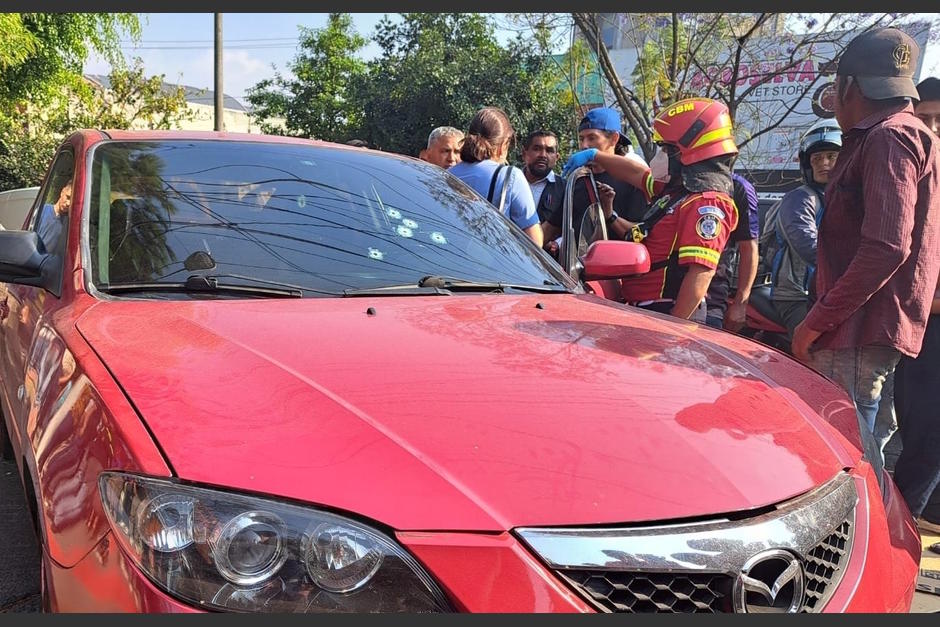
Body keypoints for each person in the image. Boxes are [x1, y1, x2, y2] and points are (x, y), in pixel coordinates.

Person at [790, 28, 940, 495]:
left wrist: (815, 322)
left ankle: (869, 549)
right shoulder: (912, 135)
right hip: (873, 324)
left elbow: (886, 248)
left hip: (857, 326)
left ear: (848, 88)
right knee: (860, 440)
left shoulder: (887, 139)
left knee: (846, 451)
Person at [561, 98, 739, 322]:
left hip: (668, 313)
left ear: (684, 154)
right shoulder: (677, 192)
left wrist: (674, 328)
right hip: (647, 309)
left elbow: (700, 274)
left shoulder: (706, 203)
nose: (660, 155)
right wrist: (596, 156)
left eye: (666, 149)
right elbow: (636, 174)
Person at [893, 76, 940, 534]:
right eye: (923, 119)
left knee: (928, 432)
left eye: (939, 121)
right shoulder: (903, 176)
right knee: (915, 425)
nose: (932, 129)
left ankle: (900, 524)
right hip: (915, 322)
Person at [767, 119, 842, 339]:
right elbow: (808, 245)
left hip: (829, 293)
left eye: (831, 156)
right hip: (797, 295)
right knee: (817, 353)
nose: (823, 163)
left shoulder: (844, 199)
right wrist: (851, 272)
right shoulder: (800, 198)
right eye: (816, 158)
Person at [541, 107, 648, 254]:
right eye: (581, 139)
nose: (584, 145)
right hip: (576, 272)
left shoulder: (632, 180)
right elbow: (551, 228)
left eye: (592, 138)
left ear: (614, 139)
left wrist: (610, 216)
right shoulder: (577, 180)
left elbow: (642, 235)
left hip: (621, 272)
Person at [448, 108, 543, 246]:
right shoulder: (509, 176)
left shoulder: (446, 175)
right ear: (503, 145)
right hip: (490, 263)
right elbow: (535, 241)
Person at [704, 172, 759, 332]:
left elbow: (749, 249)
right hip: (658, 297)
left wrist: (740, 304)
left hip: (709, 302)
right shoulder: (674, 181)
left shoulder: (736, 187)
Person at [521, 130, 566, 223]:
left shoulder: (564, 190)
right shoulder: (510, 182)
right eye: (537, 149)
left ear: (556, 157)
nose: (543, 155)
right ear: (524, 154)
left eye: (549, 151)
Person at [36, 181, 71, 254]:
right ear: (62, 192)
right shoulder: (41, 211)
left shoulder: (69, 224)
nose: (68, 203)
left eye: (72, 200)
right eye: (68, 197)